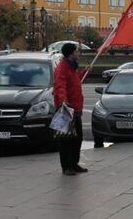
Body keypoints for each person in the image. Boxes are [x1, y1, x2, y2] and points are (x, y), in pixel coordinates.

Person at [53, 43, 88, 176]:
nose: (78, 53)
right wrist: (64, 103)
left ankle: (74, 163)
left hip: (76, 108)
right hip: (67, 109)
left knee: (77, 138)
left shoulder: (72, 67)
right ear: (71, 53)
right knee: (66, 139)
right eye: (77, 51)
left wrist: (84, 72)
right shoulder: (62, 68)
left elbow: (74, 81)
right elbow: (60, 86)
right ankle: (66, 166)